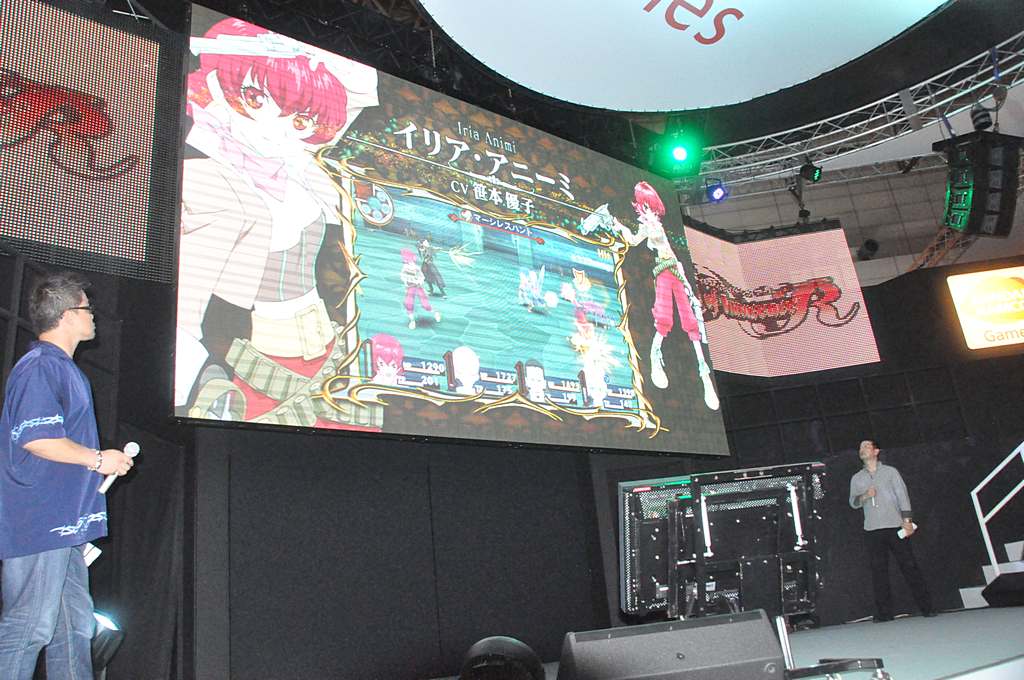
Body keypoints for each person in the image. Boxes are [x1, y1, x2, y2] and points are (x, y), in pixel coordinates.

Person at [0, 271, 134, 679]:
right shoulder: (41, 367)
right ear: (67, 315)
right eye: (87, 308)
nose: (94, 316)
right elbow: (37, 439)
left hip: (64, 527)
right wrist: (98, 459)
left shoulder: (63, 369)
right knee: (29, 625)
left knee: (73, 629)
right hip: (42, 522)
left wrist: (100, 462)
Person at [612, 181, 718, 409]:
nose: (648, 210)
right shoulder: (646, 226)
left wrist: (686, 280)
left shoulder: (656, 224)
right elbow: (633, 240)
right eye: (644, 206)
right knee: (664, 316)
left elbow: (670, 251)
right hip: (663, 271)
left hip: (676, 269)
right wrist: (619, 227)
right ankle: (655, 355)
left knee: (689, 317)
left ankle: (704, 374)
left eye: (650, 206)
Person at [849, 440, 935, 622]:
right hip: (872, 529)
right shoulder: (857, 478)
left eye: (866, 446)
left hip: (895, 526)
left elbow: (902, 496)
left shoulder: (890, 472)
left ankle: (927, 607)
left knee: (909, 567)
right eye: (861, 448)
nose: (862, 450)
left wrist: (907, 521)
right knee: (878, 572)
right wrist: (865, 496)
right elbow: (853, 502)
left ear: (876, 451)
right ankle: (884, 613)